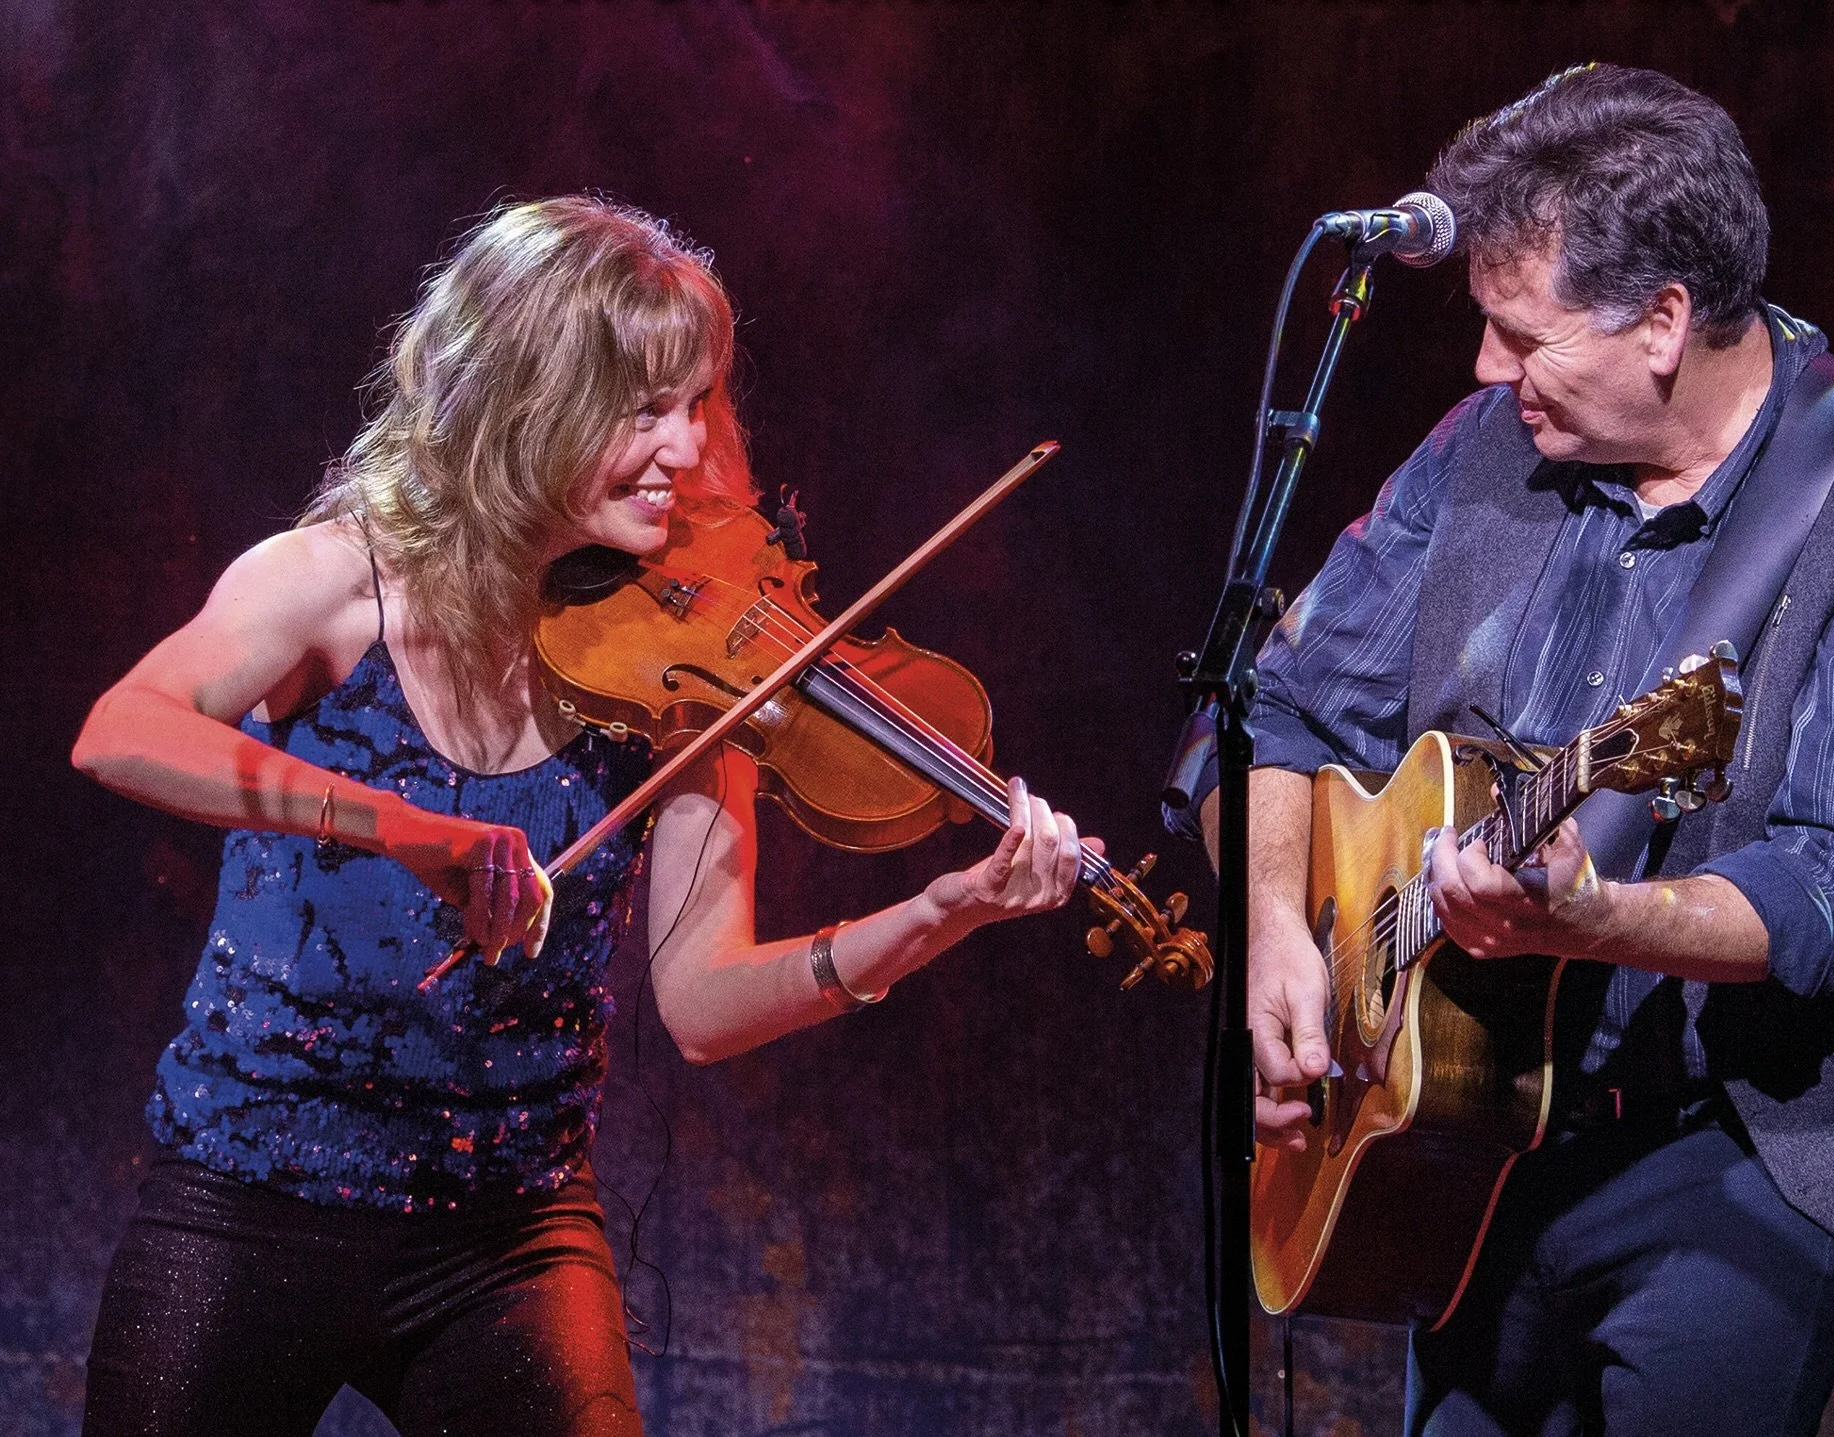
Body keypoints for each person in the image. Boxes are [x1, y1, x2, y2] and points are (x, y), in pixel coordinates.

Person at [70, 195, 1089, 1436]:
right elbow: (121, 730)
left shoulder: (692, 670)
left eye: (697, 403)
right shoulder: (336, 581)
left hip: (510, 1226)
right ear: (526, 400)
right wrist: (404, 829)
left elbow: (702, 1005)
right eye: (641, 409)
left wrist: (941, 912)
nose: (686, 448)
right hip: (247, 1193)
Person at [1210, 67, 1834, 1435]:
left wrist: (1593, 920)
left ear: (1662, 321)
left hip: (1743, 1147)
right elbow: (1279, 711)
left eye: (1522, 336)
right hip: (1470, 1124)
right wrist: (1279, 933)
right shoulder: (1483, 449)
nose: (1486, 369)